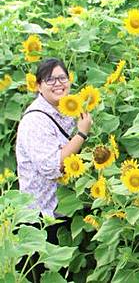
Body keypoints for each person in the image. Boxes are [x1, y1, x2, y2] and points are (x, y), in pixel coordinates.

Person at [16, 58, 93, 217]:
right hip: (40, 216)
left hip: (66, 209)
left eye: (62, 78)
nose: (58, 83)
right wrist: (82, 134)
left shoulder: (68, 109)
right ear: (38, 86)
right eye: (50, 79)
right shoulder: (35, 121)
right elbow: (52, 167)